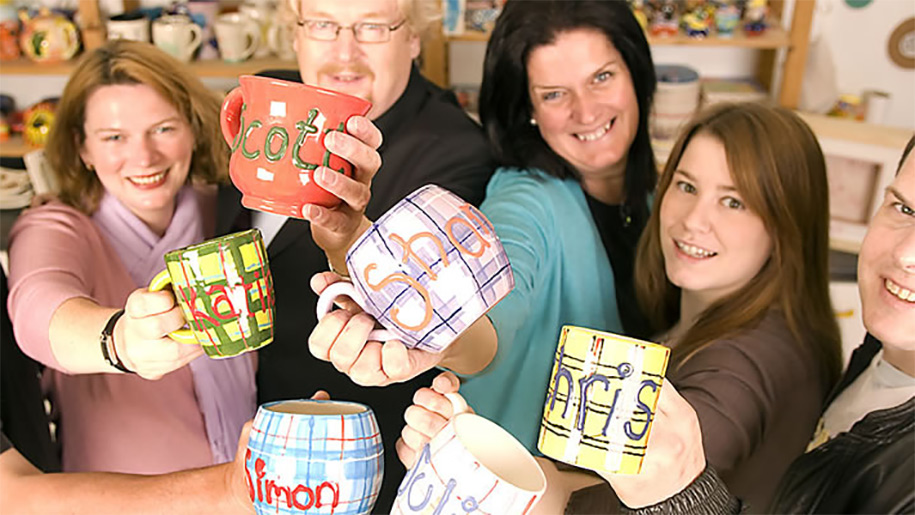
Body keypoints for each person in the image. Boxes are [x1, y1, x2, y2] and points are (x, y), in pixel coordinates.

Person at [395, 102, 847, 512]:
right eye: (686, 186)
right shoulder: (712, 321)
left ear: (787, 224)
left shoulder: (748, 361)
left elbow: (625, 499)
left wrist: (471, 465)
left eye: (734, 201)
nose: (693, 220)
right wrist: (468, 452)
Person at [309, 0, 659, 460]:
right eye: (554, 94)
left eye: (602, 77)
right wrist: (436, 340)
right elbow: (490, 324)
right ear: (527, 108)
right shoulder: (526, 200)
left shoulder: (665, 193)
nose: (586, 111)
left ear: (635, 71)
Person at [216, 0, 494, 509]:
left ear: (414, 37)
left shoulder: (451, 148)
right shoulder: (270, 102)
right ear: (296, 33)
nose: (345, 51)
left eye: (373, 26)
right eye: (323, 24)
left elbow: (469, 334)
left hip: (357, 470)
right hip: (238, 449)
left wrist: (349, 243)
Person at [6, 40, 256, 474]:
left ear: (193, 129)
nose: (144, 157)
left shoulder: (227, 211)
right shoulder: (57, 226)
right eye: (114, 137)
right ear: (82, 147)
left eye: (163, 129)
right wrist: (120, 341)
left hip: (251, 491)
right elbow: (36, 309)